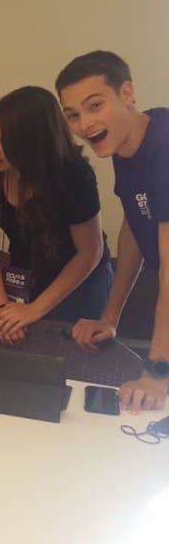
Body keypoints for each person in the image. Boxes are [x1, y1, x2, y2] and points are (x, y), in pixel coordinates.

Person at [57, 50, 169, 412]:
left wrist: (156, 370)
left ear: (127, 93)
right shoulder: (125, 146)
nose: (84, 124)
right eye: (72, 115)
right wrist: (111, 317)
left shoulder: (164, 149)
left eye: (94, 106)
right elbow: (135, 227)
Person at [0, 86, 112, 345]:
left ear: (32, 144)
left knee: (69, 364)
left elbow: (90, 251)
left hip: (78, 283)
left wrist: (34, 310)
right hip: (24, 276)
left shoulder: (72, 174)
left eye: (5, 143)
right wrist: (1, 308)